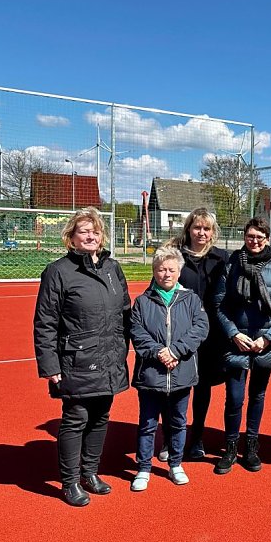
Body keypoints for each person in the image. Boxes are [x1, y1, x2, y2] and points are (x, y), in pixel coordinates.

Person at [33, 207, 131, 507]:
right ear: (71, 238)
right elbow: (45, 321)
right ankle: (70, 481)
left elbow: (126, 311)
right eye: (84, 231)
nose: (90, 236)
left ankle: (90, 472)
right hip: (76, 360)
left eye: (95, 231)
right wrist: (50, 365)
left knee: (101, 416)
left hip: (110, 357)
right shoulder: (58, 271)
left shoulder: (112, 268)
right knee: (76, 418)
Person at [213, 216, 271, 474]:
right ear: (244, 237)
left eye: (259, 237)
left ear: (267, 239)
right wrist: (233, 334)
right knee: (234, 398)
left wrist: (268, 338)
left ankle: (252, 445)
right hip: (237, 342)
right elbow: (220, 305)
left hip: (264, 343)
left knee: (258, 395)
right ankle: (231, 446)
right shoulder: (231, 265)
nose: (254, 241)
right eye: (250, 236)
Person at [128, 247, 209, 491]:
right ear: (154, 271)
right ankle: (143, 468)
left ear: (179, 272)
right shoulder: (142, 301)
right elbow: (136, 331)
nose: (166, 274)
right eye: (161, 269)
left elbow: (200, 328)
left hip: (181, 372)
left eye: (171, 269)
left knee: (178, 422)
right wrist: (158, 352)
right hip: (151, 374)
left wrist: (176, 351)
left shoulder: (191, 299)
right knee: (147, 424)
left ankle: (175, 464)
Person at [162, 208, 229, 459]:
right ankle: (170, 439)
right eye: (197, 227)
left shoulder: (223, 259)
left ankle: (197, 437)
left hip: (211, 337)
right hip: (179, 334)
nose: (202, 232)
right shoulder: (175, 257)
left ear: (213, 232)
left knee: (203, 388)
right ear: (189, 229)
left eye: (207, 228)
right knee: (175, 389)